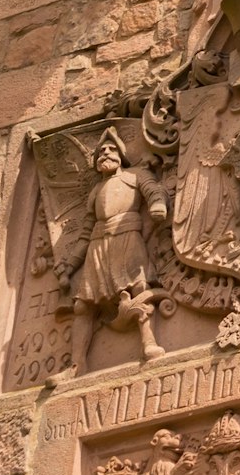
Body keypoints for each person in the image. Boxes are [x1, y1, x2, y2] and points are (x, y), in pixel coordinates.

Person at [66, 131, 167, 367]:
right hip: (98, 245)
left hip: (127, 236)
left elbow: (154, 190)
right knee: (82, 305)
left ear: (121, 156)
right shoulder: (95, 191)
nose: (106, 153)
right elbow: (86, 231)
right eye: (101, 151)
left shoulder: (135, 176)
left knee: (140, 287)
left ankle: (148, 343)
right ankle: (77, 365)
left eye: (111, 150)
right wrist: (70, 265)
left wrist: (158, 204)